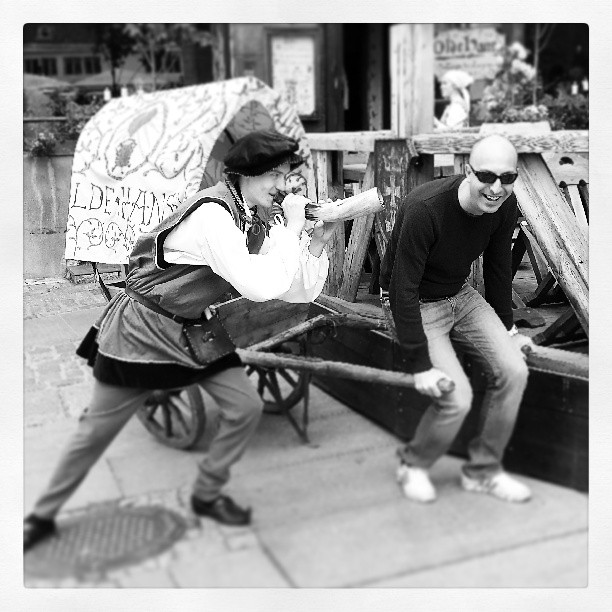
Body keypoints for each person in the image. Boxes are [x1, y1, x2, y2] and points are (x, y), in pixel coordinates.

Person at [24, 129, 338, 551]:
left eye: (286, 176)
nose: (284, 186)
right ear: (247, 174)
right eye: (275, 176)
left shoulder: (254, 218)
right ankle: (41, 517)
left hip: (193, 325)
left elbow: (287, 287)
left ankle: (206, 494)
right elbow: (258, 285)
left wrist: (314, 244)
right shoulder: (213, 215)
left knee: (245, 406)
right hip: (145, 325)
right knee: (98, 428)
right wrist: (293, 227)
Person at [380, 134, 535, 505]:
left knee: (515, 371)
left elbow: (498, 270)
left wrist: (509, 329)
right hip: (414, 301)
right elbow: (401, 289)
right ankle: (413, 464)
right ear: (467, 170)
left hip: (459, 294)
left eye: (507, 178)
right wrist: (420, 363)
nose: (496, 188)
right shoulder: (425, 208)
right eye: (486, 176)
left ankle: (483, 472)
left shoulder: (504, 205)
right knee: (457, 397)